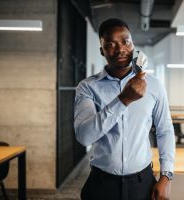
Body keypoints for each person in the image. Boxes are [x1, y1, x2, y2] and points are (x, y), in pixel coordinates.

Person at [74, 18, 175, 200]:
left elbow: (165, 130)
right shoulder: (88, 87)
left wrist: (166, 176)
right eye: (110, 44)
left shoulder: (154, 85)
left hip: (142, 182)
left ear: (133, 45)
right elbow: (84, 136)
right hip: (101, 184)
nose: (120, 49)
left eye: (125, 41)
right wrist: (124, 99)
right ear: (102, 50)